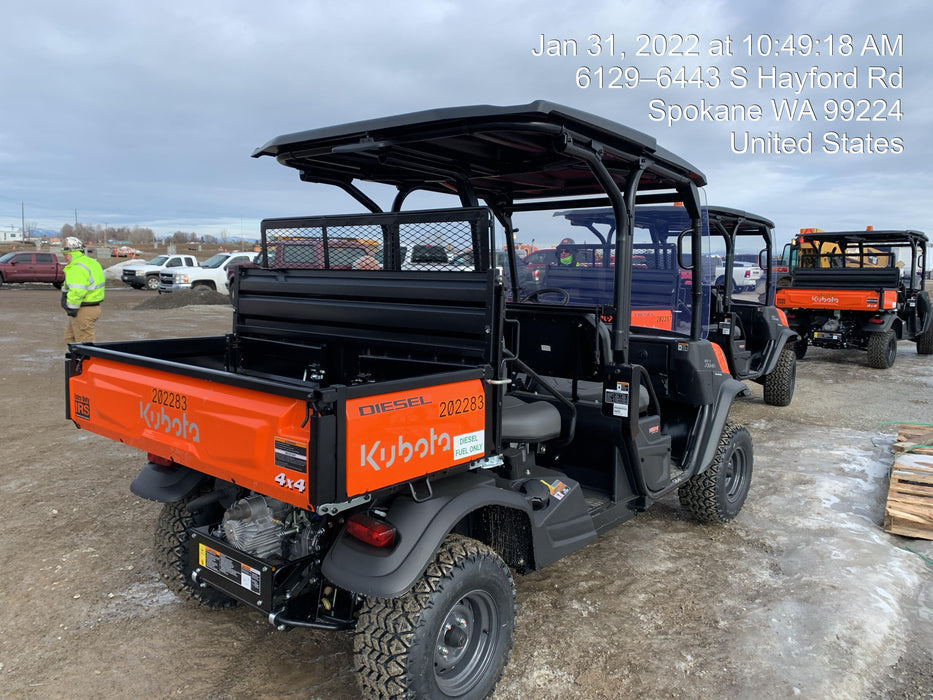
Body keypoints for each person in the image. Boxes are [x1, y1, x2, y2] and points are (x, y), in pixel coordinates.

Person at [61, 237, 106, 344]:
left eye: (64, 255)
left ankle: (84, 360)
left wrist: (71, 307)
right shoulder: (90, 262)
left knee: (84, 343)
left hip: (84, 309)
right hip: (92, 307)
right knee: (70, 338)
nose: (64, 258)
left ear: (69, 254)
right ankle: (75, 360)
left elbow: (77, 291)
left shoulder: (77, 268)